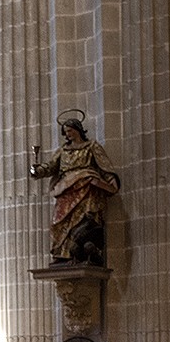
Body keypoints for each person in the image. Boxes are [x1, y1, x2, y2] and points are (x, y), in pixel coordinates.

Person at [29, 113, 121, 264]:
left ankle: (81, 255)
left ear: (78, 129)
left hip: (86, 188)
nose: (68, 134)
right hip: (66, 189)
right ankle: (62, 253)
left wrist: (111, 182)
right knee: (58, 222)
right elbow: (51, 167)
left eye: (70, 130)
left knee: (84, 222)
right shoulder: (63, 151)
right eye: (65, 131)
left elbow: (103, 167)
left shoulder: (91, 146)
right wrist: (37, 170)